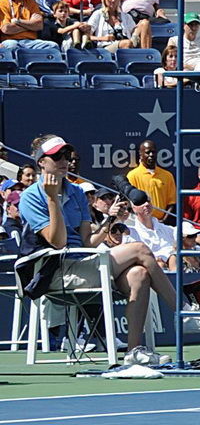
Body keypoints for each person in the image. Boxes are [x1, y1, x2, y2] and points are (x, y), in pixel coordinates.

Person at [17, 135, 179, 368]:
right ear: (41, 162)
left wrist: (108, 220)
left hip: (84, 262)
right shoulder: (31, 197)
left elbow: (88, 242)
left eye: (66, 155)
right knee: (141, 249)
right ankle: (182, 313)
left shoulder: (76, 193)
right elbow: (58, 243)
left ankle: (134, 351)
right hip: (54, 272)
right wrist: (52, 199)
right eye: (56, 156)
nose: (64, 160)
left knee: (139, 275)